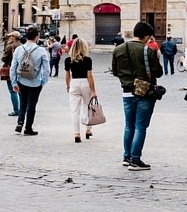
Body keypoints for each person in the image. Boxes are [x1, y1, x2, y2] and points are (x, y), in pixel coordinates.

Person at [111, 21, 163, 170]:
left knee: (129, 125)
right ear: (146, 36)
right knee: (141, 127)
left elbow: (115, 72)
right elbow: (158, 72)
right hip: (144, 92)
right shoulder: (147, 51)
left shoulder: (118, 49)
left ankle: (126, 157)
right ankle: (135, 159)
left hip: (126, 92)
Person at [11, 26, 49, 136]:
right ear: (37, 37)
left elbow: (13, 67)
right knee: (32, 105)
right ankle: (28, 128)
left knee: (23, 102)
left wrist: (14, 82)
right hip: (35, 82)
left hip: (21, 80)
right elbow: (46, 69)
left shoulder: (19, 49)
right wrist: (43, 82)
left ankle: (20, 122)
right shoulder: (41, 51)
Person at [64, 38, 99, 144]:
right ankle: (88, 130)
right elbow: (89, 76)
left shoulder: (68, 60)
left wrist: (68, 86)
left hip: (74, 83)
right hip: (85, 83)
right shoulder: (87, 60)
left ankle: (76, 133)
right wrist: (93, 90)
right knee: (88, 107)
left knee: (74, 110)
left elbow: (67, 75)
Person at [1, 31, 21, 117]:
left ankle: (16, 110)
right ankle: (23, 108)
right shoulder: (22, 46)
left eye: (10, 37)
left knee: (13, 91)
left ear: (13, 37)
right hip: (21, 70)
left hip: (11, 70)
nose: (9, 38)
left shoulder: (10, 46)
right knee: (21, 91)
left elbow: (3, 58)